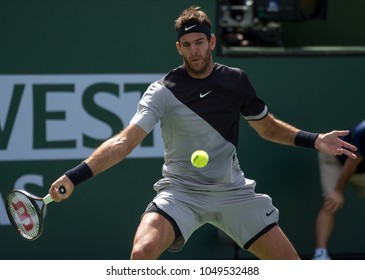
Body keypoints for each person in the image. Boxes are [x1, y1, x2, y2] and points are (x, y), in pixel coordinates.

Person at [49, 6, 357, 260]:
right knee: (141, 254)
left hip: (232, 191)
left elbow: (268, 128)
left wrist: (315, 139)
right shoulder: (162, 92)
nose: (194, 51)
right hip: (180, 192)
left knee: (292, 267)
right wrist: (74, 176)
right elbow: (123, 142)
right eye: (187, 45)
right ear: (178, 48)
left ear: (211, 42)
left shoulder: (236, 81)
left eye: (199, 42)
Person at [312, 120, 365, 260]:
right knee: (331, 203)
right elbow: (351, 164)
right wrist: (337, 191)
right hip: (334, 159)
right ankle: (320, 255)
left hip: (359, 167)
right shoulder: (363, 131)